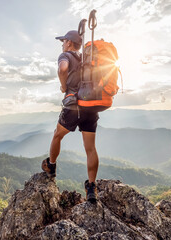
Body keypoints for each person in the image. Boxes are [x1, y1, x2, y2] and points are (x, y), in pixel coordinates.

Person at [41, 30, 100, 203]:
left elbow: (63, 69)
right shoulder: (86, 59)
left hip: (73, 106)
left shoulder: (65, 55)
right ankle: (91, 187)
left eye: (63, 41)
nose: (61, 44)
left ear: (68, 42)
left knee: (57, 135)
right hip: (90, 106)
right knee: (90, 148)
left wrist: (63, 85)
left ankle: (51, 166)